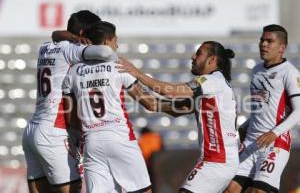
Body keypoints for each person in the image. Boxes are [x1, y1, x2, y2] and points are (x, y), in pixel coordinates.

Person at [117, 41, 239, 193]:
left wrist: (137, 73)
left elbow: (171, 91)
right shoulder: (211, 89)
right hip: (218, 160)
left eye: (199, 53)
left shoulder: (212, 80)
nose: (193, 56)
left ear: (212, 60)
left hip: (217, 160)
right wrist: (130, 84)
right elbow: (157, 105)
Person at [22, 11, 117, 193]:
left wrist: (65, 35)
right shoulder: (72, 49)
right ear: (82, 34)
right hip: (54, 132)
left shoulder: (45, 47)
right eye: (92, 33)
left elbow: (55, 35)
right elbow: (106, 52)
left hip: (32, 131)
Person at [62, 21, 161, 193]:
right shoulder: (119, 65)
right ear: (107, 42)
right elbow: (149, 103)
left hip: (92, 142)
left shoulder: (73, 70)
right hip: (119, 137)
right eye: (116, 40)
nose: (117, 44)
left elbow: (70, 117)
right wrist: (180, 106)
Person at [224, 24, 300, 193]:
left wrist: (273, 133)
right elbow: (263, 108)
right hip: (251, 141)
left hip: (275, 144)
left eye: (269, 41)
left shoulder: (290, 73)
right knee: (229, 189)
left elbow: (298, 112)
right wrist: (246, 126)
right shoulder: (257, 70)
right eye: (262, 40)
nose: (263, 44)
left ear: (282, 47)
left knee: (257, 192)